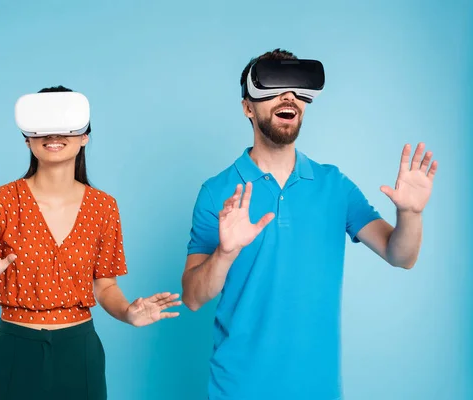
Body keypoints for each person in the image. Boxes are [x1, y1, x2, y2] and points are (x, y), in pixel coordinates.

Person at [181, 49, 437, 400]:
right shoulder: (216, 193)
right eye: (273, 86)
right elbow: (193, 298)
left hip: (318, 389)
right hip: (239, 389)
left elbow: (401, 255)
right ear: (247, 108)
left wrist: (410, 214)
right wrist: (225, 253)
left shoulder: (335, 186)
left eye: (297, 88)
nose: (288, 96)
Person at [0, 85, 181, 400]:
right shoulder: (0, 202)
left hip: (80, 353)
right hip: (15, 351)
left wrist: (127, 313)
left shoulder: (103, 207)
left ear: (85, 136)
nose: (54, 134)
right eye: (43, 126)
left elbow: (104, 286)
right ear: (27, 137)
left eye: (65, 124)